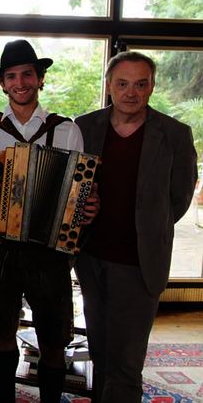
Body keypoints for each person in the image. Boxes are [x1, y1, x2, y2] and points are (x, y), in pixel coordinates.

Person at [0, 39, 98, 403]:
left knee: (53, 339)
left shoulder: (65, 130)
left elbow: (79, 194)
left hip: (48, 251)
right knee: (2, 332)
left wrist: (87, 206)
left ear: (40, 79)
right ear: (2, 83)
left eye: (27, 75)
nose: (20, 83)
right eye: (11, 76)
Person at [74, 51, 197, 403]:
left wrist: (146, 226)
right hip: (91, 258)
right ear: (109, 85)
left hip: (140, 263)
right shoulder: (84, 127)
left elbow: (179, 198)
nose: (131, 93)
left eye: (140, 84)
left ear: (152, 87)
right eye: (123, 84)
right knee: (100, 350)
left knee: (126, 363)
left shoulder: (174, 134)